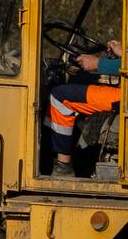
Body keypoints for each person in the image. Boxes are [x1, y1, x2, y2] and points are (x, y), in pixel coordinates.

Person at [46, 40, 123, 175]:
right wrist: (123, 52)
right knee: (80, 80)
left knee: (59, 96)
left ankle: (63, 166)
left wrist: (98, 63)